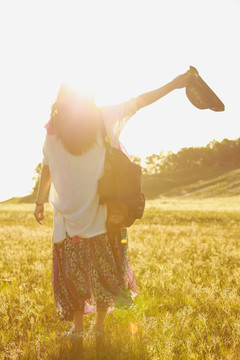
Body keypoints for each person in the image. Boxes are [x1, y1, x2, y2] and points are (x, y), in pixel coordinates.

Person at [33, 70, 190, 341]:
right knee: (104, 269)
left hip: (72, 216)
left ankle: (80, 329)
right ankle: (98, 329)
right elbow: (139, 101)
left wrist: (39, 202)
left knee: (73, 273)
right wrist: (174, 84)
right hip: (100, 212)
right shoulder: (99, 118)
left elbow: (47, 169)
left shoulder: (53, 129)